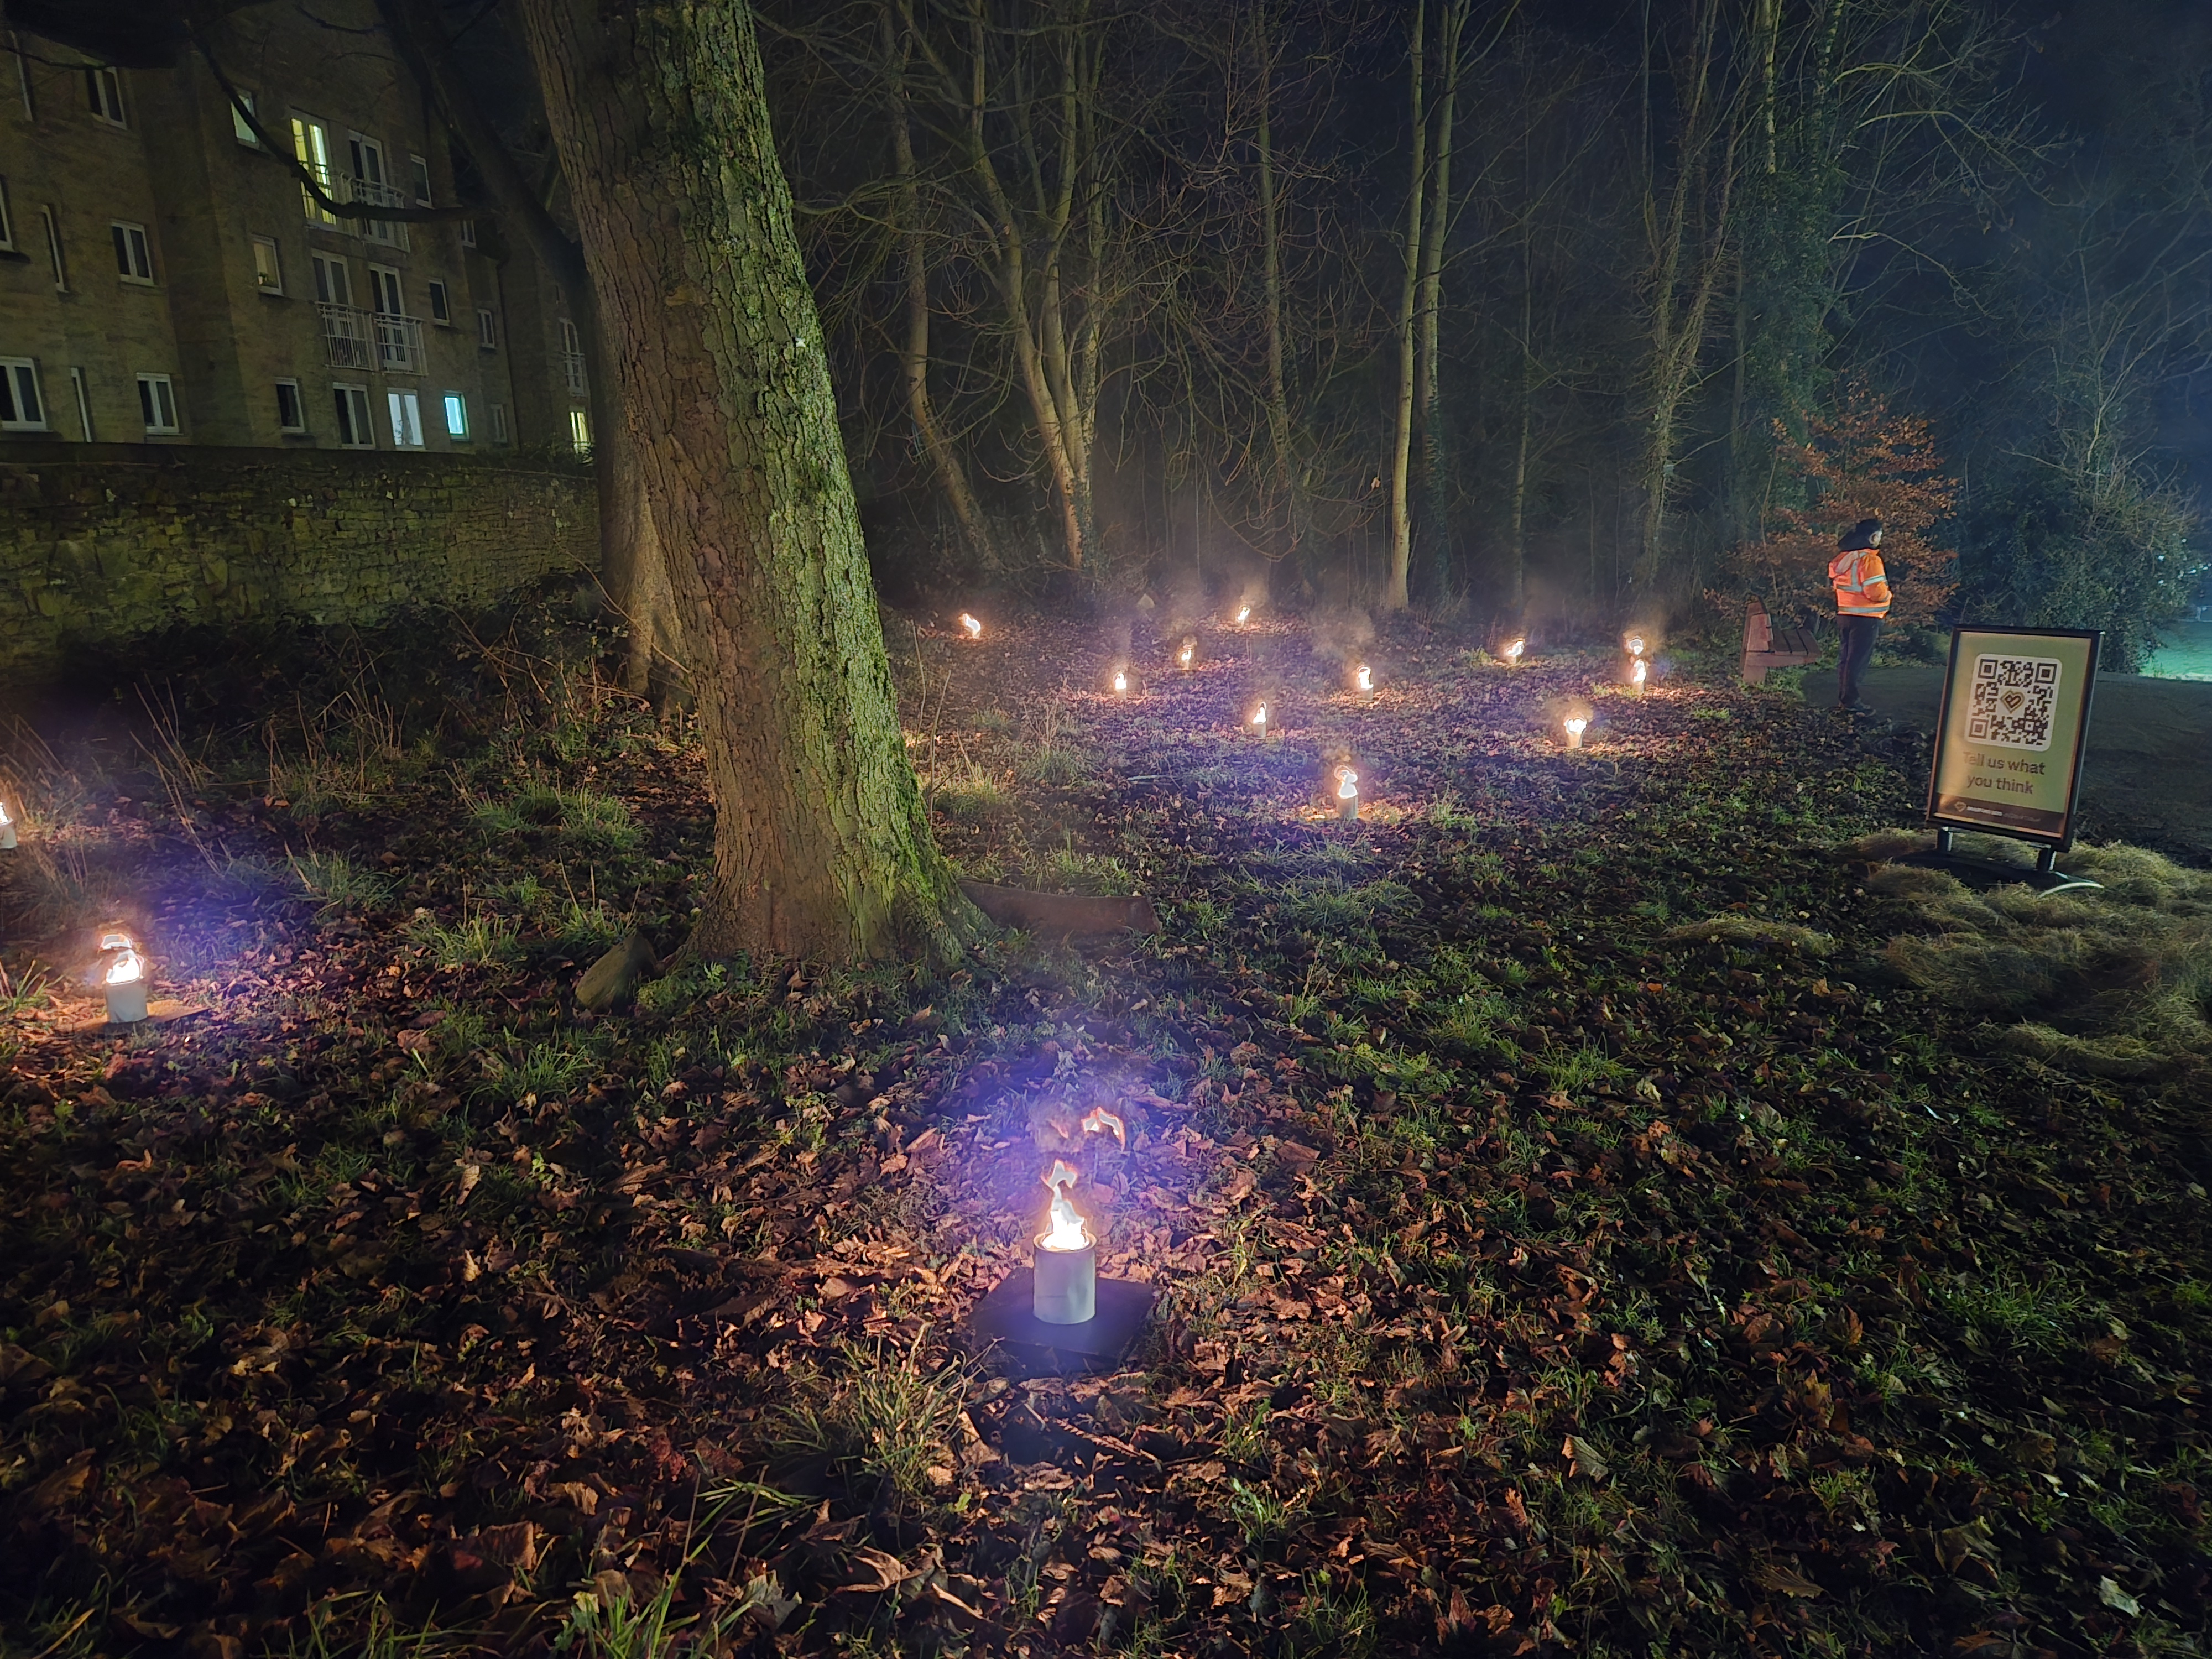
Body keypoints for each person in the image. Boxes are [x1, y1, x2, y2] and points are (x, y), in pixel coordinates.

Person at [1828, 517, 1890, 713]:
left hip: (1845, 614)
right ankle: (1851, 703)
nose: (1880, 539)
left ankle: (1845, 699)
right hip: (1866, 618)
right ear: (1872, 537)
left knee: (1847, 659)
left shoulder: (1844, 559)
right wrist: (1888, 595)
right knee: (1858, 662)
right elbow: (1876, 593)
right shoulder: (1870, 560)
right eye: (1879, 536)